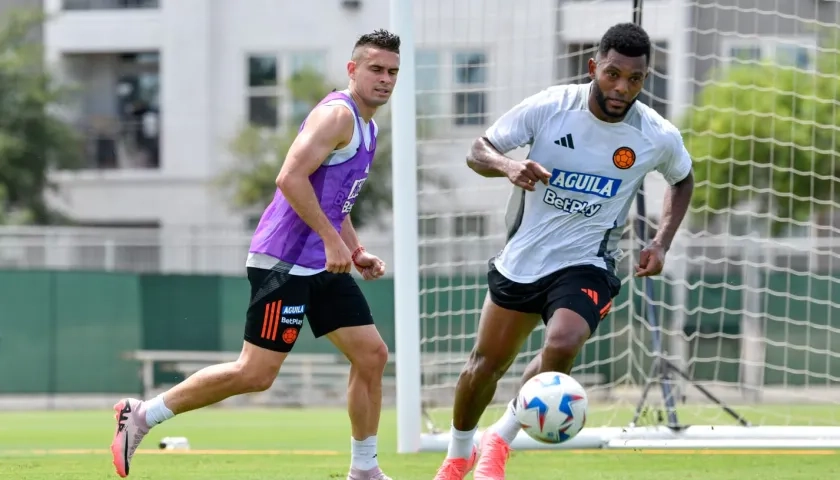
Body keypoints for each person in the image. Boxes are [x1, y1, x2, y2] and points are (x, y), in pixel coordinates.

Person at [110, 29, 402, 480]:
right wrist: (330, 241)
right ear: (353, 69)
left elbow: (333, 199)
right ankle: (144, 414)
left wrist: (353, 248)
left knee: (372, 355)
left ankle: (364, 470)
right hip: (284, 259)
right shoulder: (336, 116)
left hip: (320, 262)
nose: (385, 79)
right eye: (376, 69)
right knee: (256, 373)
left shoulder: (370, 127)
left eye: (392, 72)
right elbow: (289, 178)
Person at [433, 22, 695, 480]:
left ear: (645, 80)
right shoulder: (552, 106)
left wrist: (661, 241)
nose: (621, 88)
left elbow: (683, 178)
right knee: (485, 366)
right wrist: (508, 166)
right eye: (613, 74)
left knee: (564, 341)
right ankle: (458, 455)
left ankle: (501, 436)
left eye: (634, 79)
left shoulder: (655, 134)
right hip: (523, 259)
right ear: (594, 67)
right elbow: (479, 150)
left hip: (588, 262)